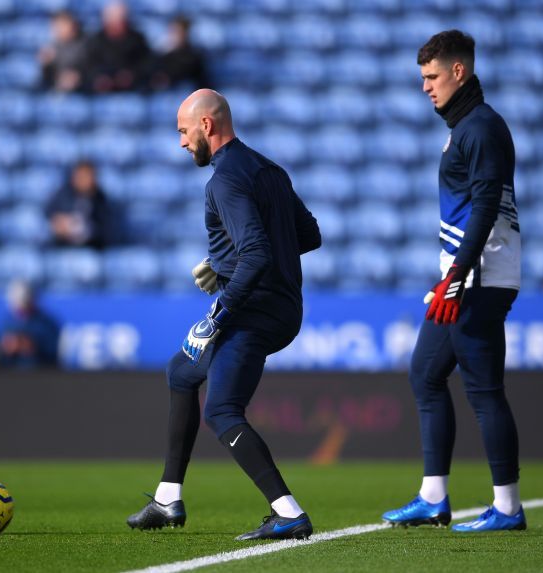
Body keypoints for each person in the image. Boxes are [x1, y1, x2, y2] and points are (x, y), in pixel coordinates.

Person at [125, 89, 321, 541]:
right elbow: (308, 235)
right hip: (281, 304)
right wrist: (226, 263)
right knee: (182, 371)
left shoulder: (224, 181)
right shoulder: (269, 170)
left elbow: (256, 253)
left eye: (183, 131)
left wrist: (221, 308)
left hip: (252, 308)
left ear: (206, 126)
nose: (181, 142)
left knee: (222, 410)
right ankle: (168, 497)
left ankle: (288, 511)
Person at [382, 31, 525, 532]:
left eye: (432, 76)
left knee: (484, 389)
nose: (425, 87)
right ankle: (433, 497)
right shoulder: (465, 126)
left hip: (479, 277)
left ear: (458, 71)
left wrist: (458, 277)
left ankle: (507, 507)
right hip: (466, 275)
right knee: (425, 372)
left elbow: (485, 206)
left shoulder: (481, 127)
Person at [86, 1, 151, 93]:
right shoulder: (96, 40)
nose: (117, 23)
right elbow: (90, 64)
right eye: (113, 19)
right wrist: (100, 77)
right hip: (102, 89)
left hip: (133, 87)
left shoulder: (137, 39)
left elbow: (146, 63)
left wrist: (132, 75)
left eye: (120, 19)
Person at [45, 160, 111, 249]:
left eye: (87, 176)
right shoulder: (63, 194)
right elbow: (50, 213)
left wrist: (84, 229)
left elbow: (105, 231)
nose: (83, 180)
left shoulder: (101, 200)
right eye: (80, 176)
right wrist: (59, 223)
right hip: (63, 247)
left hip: (90, 248)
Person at [0, 280, 60, 368]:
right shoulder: (5, 323)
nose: (22, 308)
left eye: (25, 300)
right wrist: (7, 347)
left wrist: (32, 346)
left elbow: (54, 353)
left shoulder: (47, 324)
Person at [147, 16, 208, 91]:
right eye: (173, 32)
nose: (175, 36)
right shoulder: (161, 53)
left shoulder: (193, 55)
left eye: (179, 32)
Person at [38, 10, 89, 93]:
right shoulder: (51, 48)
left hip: (84, 90)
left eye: (62, 25)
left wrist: (78, 77)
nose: (59, 29)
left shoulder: (86, 44)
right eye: (56, 26)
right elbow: (45, 80)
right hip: (59, 91)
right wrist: (46, 65)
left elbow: (92, 69)